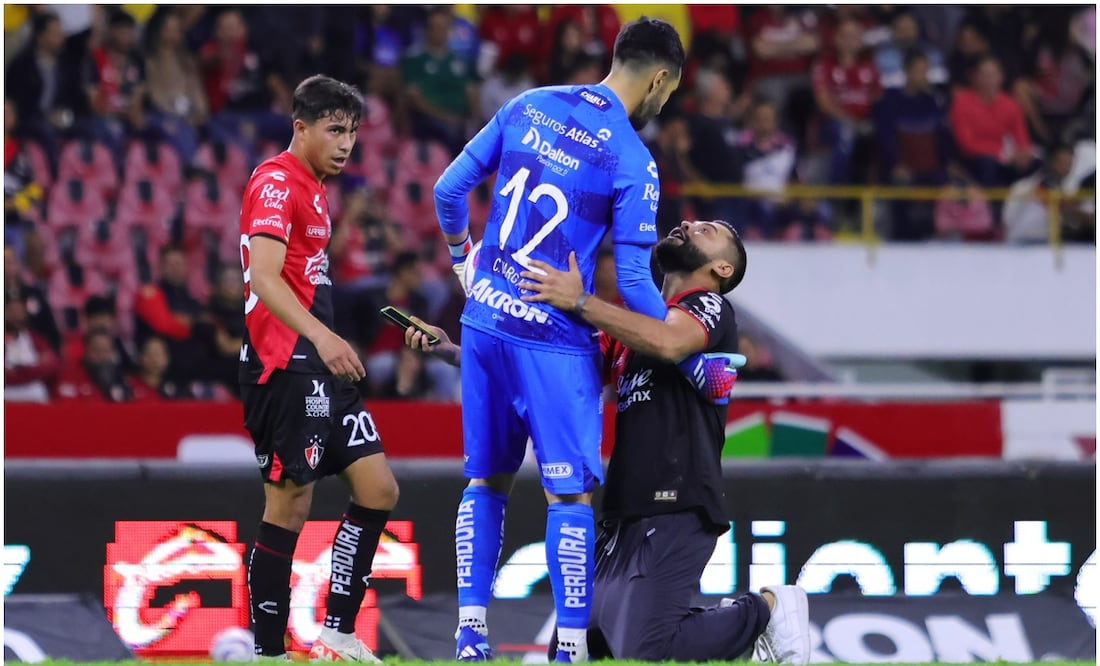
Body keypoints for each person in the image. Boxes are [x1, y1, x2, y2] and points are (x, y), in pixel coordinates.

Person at [432, 18, 736, 663]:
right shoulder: (632, 158)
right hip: (553, 334)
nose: (664, 103)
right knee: (567, 495)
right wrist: (686, 358)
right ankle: (569, 647)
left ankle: (471, 637)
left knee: (484, 483)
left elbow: (448, 190)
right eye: (669, 92)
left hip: (484, 321)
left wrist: (463, 262)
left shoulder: (529, 104)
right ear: (660, 79)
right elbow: (636, 280)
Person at [404, 220, 811, 664]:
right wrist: (454, 352)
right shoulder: (631, 329)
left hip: (676, 505)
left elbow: (670, 342)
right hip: (621, 517)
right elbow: (554, 371)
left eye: (707, 230)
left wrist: (579, 301)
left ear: (722, 269)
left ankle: (766, 610)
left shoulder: (710, 306)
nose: (688, 224)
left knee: (646, 650)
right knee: (578, 651)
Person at [237, 74, 398, 663]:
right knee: (288, 506)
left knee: (378, 488)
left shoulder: (315, 187)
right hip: (284, 363)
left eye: (352, 132)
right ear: (300, 128)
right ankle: (268, 652)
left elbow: (306, 277)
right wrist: (324, 337)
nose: (346, 143)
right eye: (334, 130)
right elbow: (264, 277)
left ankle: (336, 635)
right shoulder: (277, 182)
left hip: (319, 364)